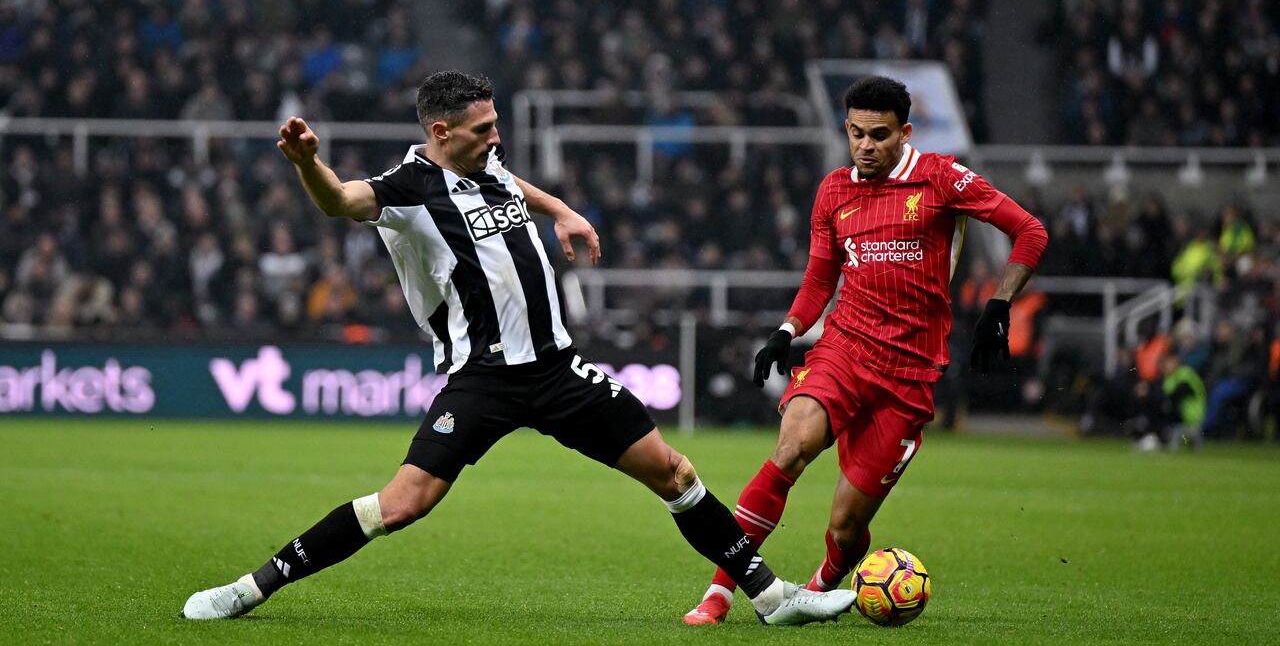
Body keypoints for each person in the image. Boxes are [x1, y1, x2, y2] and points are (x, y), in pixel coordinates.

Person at [182, 71, 855, 625]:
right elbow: (340, 201)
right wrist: (308, 164)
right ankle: (249, 588)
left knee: (675, 474)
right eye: (482, 130)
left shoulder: (487, 163)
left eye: (495, 125)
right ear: (440, 133)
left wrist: (560, 209)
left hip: (559, 370)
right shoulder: (408, 189)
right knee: (402, 504)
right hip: (485, 379)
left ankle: (772, 598)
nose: (496, 138)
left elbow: (511, 181)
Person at [684, 76, 1048, 624]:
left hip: (909, 373)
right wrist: (787, 329)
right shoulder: (834, 190)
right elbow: (819, 280)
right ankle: (720, 593)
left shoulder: (941, 178)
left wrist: (1000, 303)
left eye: (879, 135)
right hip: (844, 350)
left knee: (846, 527)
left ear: (905, 132)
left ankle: (819, 588)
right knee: (790, 449)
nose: (866, 145)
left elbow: (1030, 232)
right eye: (856, 133)